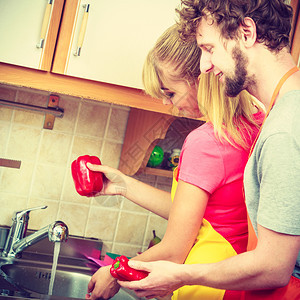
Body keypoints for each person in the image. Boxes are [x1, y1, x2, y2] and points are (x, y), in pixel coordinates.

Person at [119, 1, 300, 299]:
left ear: (246, 33)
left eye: (209, 48)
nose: (203, 66)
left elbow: (274, 266)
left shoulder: (284, 128)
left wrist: (181, 275)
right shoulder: (277, 116)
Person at [86, 24, 265, 300]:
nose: (171, 105)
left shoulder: (205, 142)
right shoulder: (257, 124)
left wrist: (114, 272)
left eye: (170, 93)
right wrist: (124, 185)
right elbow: (200, 217)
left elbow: (173, 249)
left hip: (206, 288)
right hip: (241, 284)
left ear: (201, 77)